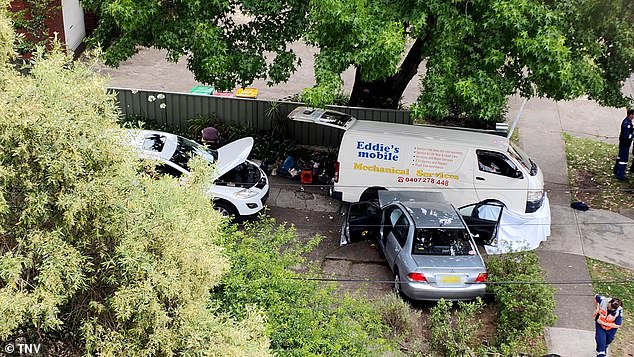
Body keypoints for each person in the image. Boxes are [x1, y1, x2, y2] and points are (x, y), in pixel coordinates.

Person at [613, 109, 634, 180]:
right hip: (625, 143)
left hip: (623, 143)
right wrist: (633, 134)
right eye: (633, 115)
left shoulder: (627, 121)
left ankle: (616, 170)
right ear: (630, 115)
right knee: (623, 159)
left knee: (620, 157)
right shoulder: (627, 123)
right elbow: (627, 136)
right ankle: (620, 175)